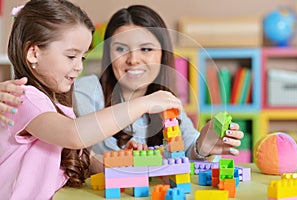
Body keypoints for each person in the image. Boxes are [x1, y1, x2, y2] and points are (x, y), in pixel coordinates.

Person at [0, 1, 181, 199]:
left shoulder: (56, 104)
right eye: (71, 56)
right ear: (34, 53)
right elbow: (74, 134)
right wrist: (144, 104)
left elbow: (81, 156)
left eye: (82, 58)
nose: (79, 67)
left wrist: (123, 161)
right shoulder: (25, 98)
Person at [73, 5, 244, 160]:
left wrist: (202, 147)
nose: (133, 60)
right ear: (108, 54)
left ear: (163, 54)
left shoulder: (164, 100)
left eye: (146, 49)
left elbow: (188, 146)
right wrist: (123, 159)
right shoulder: (86, 91)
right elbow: (77, 139)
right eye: (121, 49)